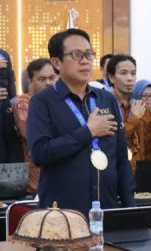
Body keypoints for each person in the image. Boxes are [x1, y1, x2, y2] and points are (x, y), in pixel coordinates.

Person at [27, 29, 134, 214]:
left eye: (88, 54)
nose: (85, 61)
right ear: (56, 62)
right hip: (62, 212)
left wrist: (130, 209)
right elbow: (40, 153)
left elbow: (121, 159)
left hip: (106, 208)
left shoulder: (105, 99)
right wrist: (88, 132)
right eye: (76, 55)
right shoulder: (42, 102)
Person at [13, 58, 58, 194]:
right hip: (36, 179)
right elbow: (35, 135)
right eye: (42, 79)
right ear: (30, 81)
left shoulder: (61, 101)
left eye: (52, 78)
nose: (48, 83)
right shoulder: (23, 103)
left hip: (61, 174)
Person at [108, 55, 151, 171]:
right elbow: (112, 141)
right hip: (113, 171)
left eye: (133, 73)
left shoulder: (144, 109)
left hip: (139, 172)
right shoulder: (105, 106)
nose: (129, 78)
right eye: (123, 73)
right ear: (111, 77)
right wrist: (134, 118)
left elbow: (150, 148)